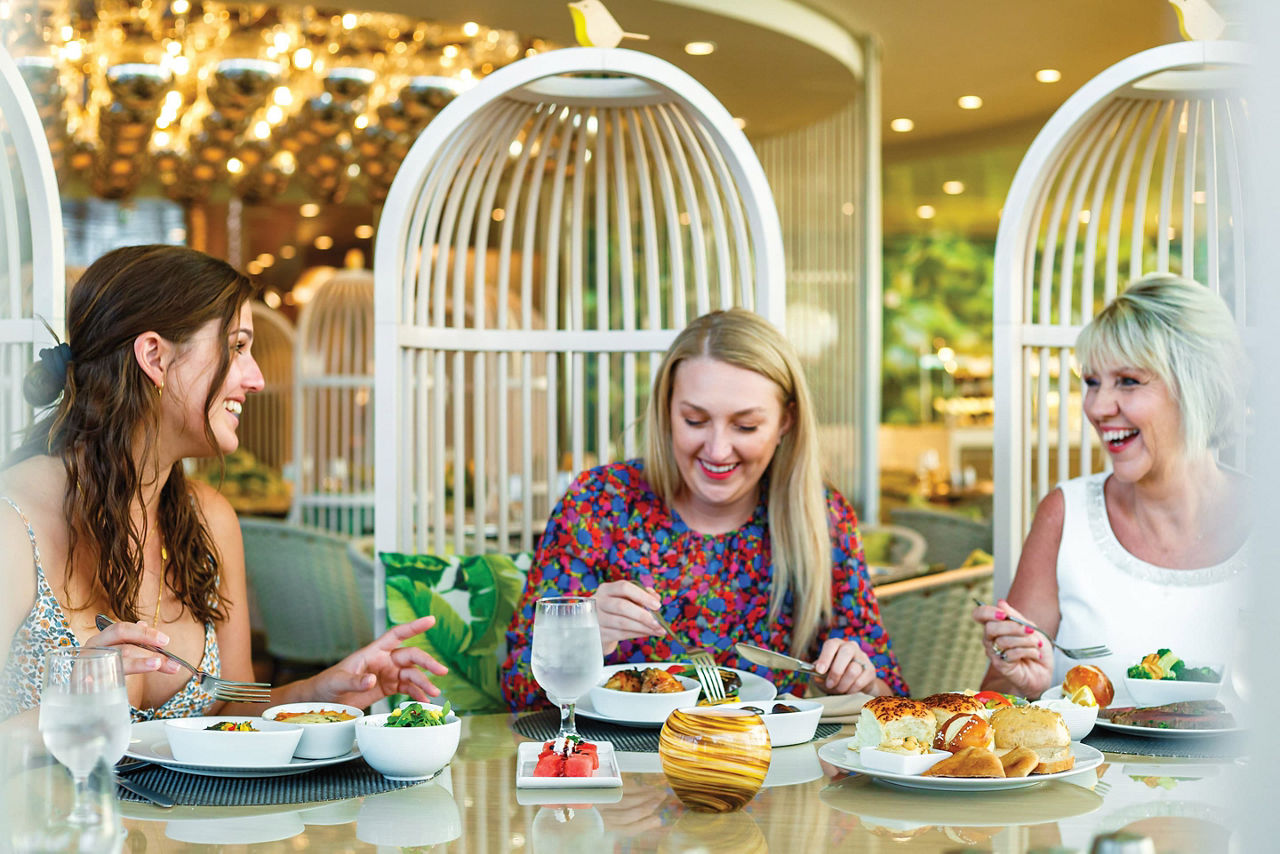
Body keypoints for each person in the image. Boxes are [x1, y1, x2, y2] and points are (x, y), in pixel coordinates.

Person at [0, 245, 446, 724]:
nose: (255, 378)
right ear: (154, 355)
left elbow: (231, 709)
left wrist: (322, 691)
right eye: (236, 347)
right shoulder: (13, 523)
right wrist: (65, 710)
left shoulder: (208, 520)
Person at [501, 308, 906, 709]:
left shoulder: (822, 517)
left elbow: (890, 697)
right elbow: (517, 686)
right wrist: (585, 641)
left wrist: (859, 680)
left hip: (766, 769)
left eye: (745, 426)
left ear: (786, 420)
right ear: (666, 411)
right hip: (617, 767)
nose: (717, 450)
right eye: (694, 420)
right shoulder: (600, 503)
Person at [972, 274, 1250, 700]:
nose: (1098, 408)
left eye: (1129, 381)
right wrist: (1024, 683)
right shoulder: (1066, 516)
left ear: (1200, 386)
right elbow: (996, 700)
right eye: (1091, 382)